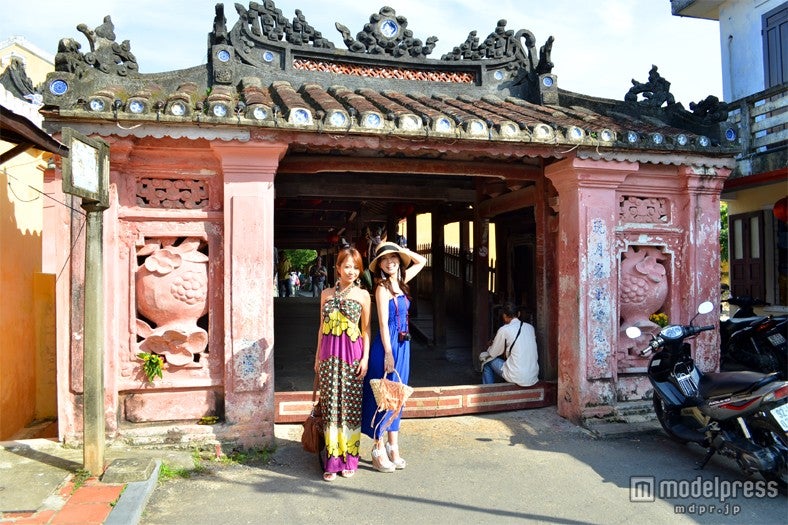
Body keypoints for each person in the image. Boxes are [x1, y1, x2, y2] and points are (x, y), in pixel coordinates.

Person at [361, 242, 427, 473]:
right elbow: (381, 324)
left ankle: (394, 448)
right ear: (379, 264)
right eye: (385, 259)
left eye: (394, 258)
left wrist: (401, 251)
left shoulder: (402, 281)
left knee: (398, 397)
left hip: (404, 346)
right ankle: (377, 449)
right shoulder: (382, 287)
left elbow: (423, 261)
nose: (390, 262)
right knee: (383, 397)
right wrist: (388, 354)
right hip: (388, 346)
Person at [314, 247, 371, 481]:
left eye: (356, 267)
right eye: (347, 266)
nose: (352, 271)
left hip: (352, 356)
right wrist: (317, 357)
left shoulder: (363, 295)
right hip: (328, 356)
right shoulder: (326, 294)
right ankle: (332, 460)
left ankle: (349, 458)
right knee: (329, 406)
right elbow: (321, 326)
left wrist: (365, 358)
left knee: (349, 406)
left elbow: (366, 329)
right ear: (337, 268)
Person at [480, 302, 539, 387]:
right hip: (533, 376)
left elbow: (493, 353)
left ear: (504, 316)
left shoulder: (504, 329)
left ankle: (488, 391)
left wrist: (490, 346)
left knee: (486, 362)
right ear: (518, 314)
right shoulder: (530, 327)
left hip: (517, 376)